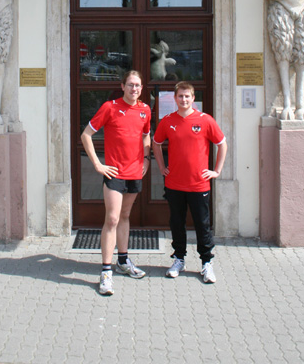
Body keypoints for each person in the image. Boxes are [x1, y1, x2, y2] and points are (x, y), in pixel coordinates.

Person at [81, 70, 151, 295]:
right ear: (122, 86)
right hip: (114, 173)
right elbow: (86, 135)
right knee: (111, 219)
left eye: (137, 85)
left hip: (135, 173)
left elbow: (146, 135)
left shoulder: (145, 110)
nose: (134, 89)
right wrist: (97, 165)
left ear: (141, 88)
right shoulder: (109, 107)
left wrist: (147, 159)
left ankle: (123, 261)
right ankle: (106, 272)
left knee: (125, 216)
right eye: (130, 85)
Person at [152, 81, 227, 283]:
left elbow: (222, 144)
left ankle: (206, 263)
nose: (184, 99)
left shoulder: (205, 120)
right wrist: (161, 167)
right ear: (175, 98)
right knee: (177, 223)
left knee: (202, 224)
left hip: (199, 184)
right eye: (180, 96)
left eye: (187, 96)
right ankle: (179, 259)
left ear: (193, 98)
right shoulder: (168, 121)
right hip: (174, 183)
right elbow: (156, 143)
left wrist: (217, 170)